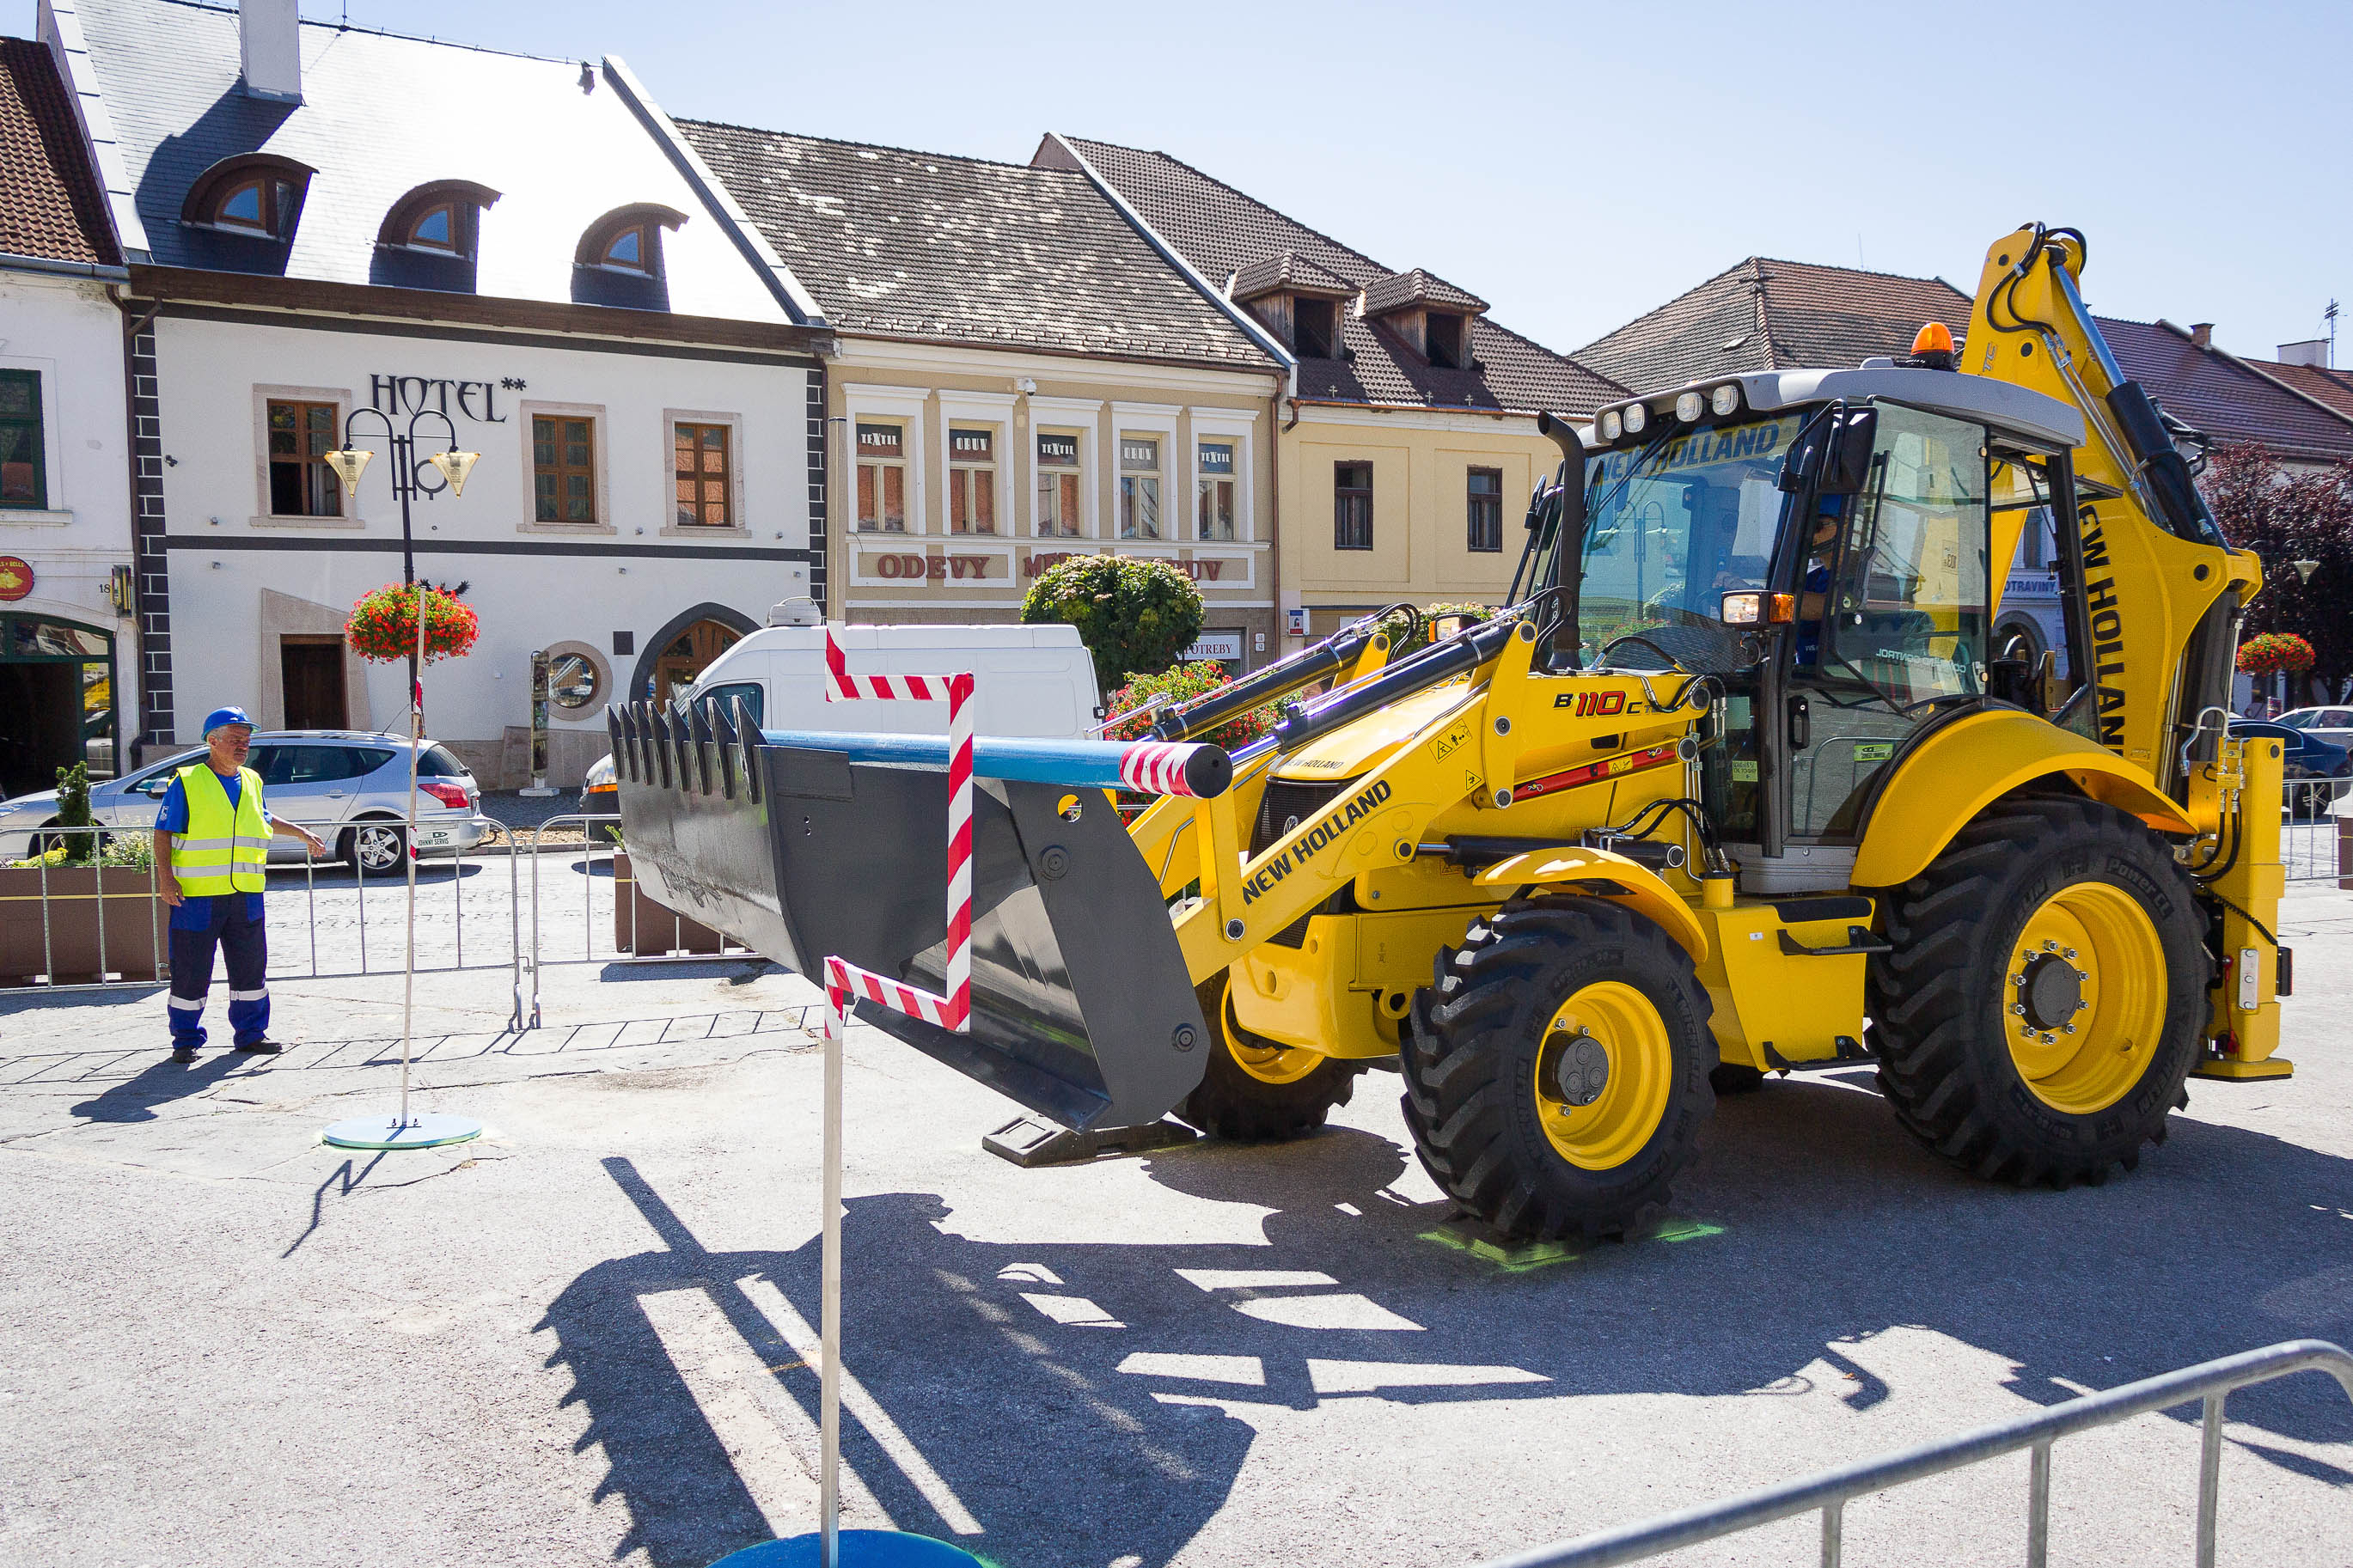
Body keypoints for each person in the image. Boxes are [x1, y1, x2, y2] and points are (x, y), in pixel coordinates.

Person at [151, 708, 327, 1064]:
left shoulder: (252, 780)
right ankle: (185, 1040)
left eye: (246, 740)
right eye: (235, 739)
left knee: (250, 969)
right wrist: (165, 879)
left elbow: (264, 818)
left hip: (245, 895)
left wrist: (301, 833)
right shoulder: (187, 782)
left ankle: (251, 1035)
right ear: (212, 741)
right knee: (190, 970)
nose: (243, 746)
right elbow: (163, 833)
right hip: (196, 897)